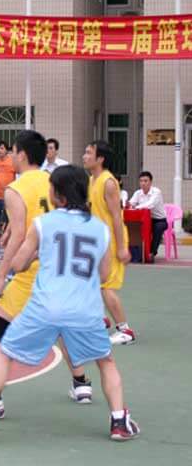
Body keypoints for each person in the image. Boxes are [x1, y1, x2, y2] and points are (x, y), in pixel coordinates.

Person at [0, 165, 141, 441]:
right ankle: (119, 421)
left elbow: (18, 263)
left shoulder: (44, 224)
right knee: (106, 361)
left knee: (4, 352)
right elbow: (102, 274)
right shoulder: (100, 230)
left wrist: (37, 253)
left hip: (45, 306)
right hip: (85, 310)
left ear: (58, 195)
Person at [0, 131, 92, 419]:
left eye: (14, 151)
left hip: (33, 271)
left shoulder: (16, 189)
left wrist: (0, 275)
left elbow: (20, 236)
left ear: (23, 155)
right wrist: (9, 231)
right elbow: (37, 220)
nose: (10, 156)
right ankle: (81, 383)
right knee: (60, 327)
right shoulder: (55, 182)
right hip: (60, 267)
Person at [83, 141, 136, 346]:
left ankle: (125, 330)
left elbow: (116, 217)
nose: (84, 156)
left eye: (89, 153)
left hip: (111, 241)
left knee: (106, 286)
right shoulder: (92, 180)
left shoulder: (108, 182)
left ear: (100, 159)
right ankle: (100, 319)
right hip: (98, 239)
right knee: (93, 282)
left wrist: (122, 247)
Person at [129, 171, 167, 261]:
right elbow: (131, 203)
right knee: (134, 227)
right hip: (145, 219)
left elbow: (150, 205)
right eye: (141, 181)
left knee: (157, 228)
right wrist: (129, 205)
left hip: (159, 220)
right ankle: (137, 253)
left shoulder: (156, 192)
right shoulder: (138, 193)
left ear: (150, 182)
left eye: (145, 181)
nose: (143, 183)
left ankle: (151, 253)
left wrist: (136, 207)